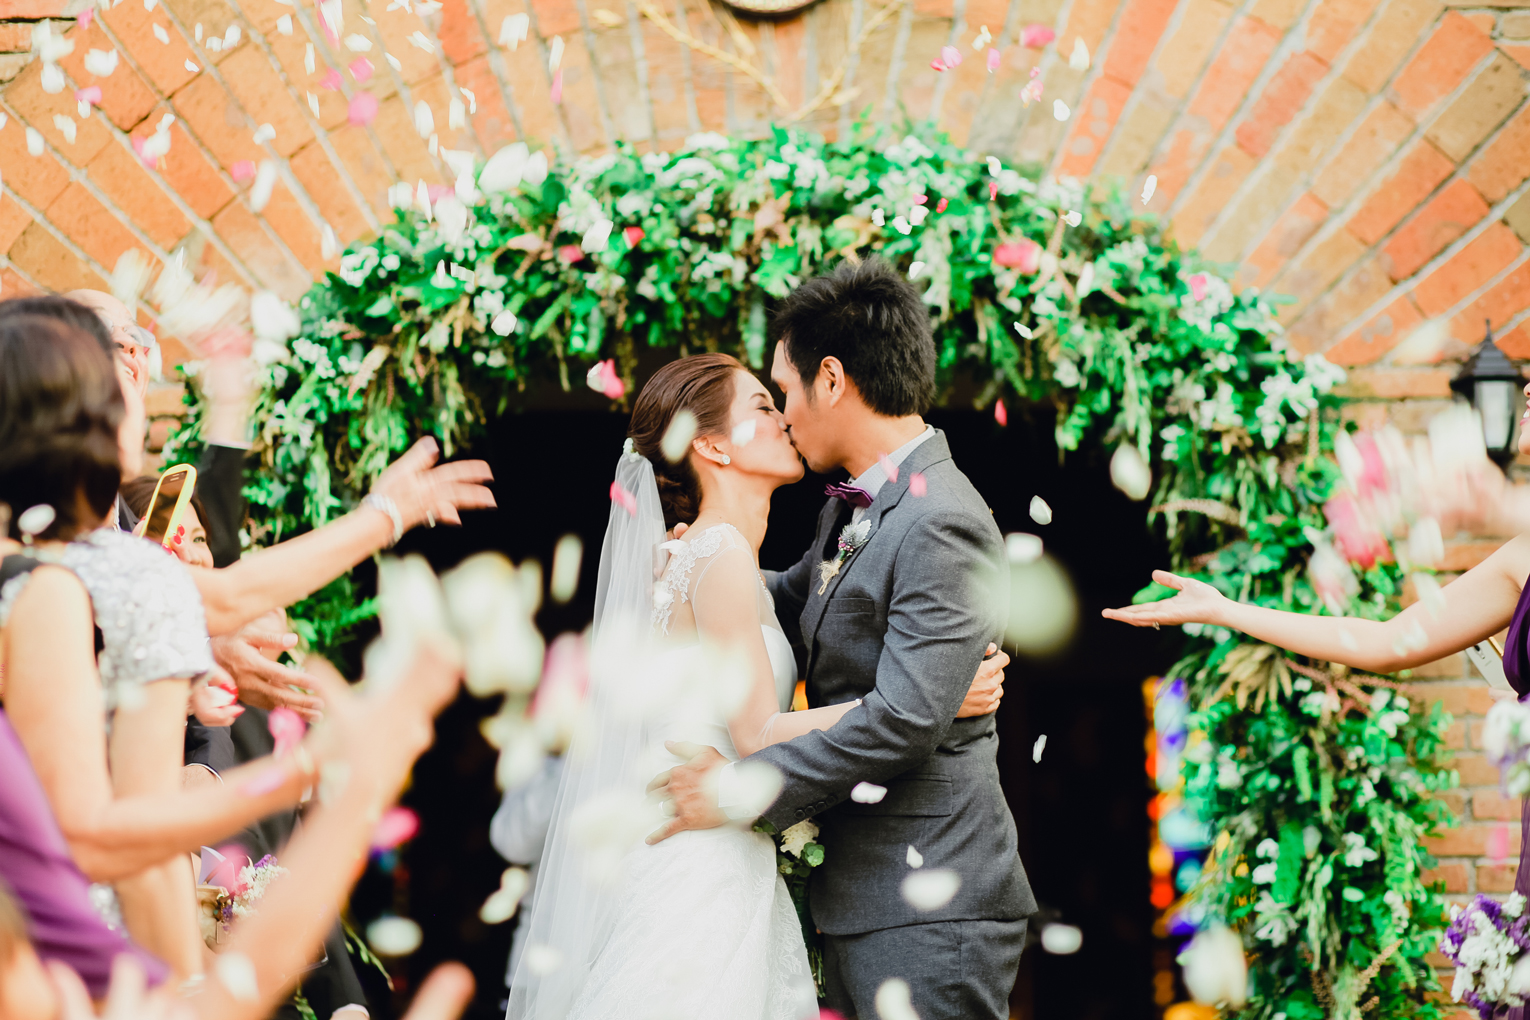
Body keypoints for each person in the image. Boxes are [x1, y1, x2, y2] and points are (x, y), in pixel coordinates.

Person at [510, 343, 1011, 1020]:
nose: (783, 418)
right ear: (712, 448)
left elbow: (787, 596)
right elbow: (756, 733)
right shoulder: (716, 552)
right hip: (701, 871)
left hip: (717, 858)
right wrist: (934, 694)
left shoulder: (717, 556)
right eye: (762, 406)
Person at [645, 260, 1036, 1020]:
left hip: (929, 903)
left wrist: (736, 791)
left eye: (784, 390)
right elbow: (794, 595)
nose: (785, 413)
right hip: (867, 898)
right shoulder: (858, 501)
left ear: (831, 379)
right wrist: (693, 566)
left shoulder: (941, 520)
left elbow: (902, 722)